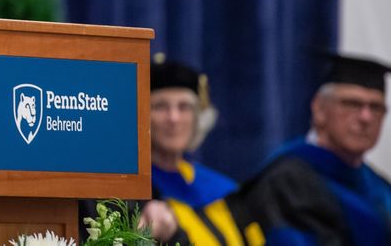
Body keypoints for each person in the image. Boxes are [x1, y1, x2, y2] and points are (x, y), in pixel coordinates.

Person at [188, 51, 391, 245]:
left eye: (376, 107)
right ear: (319, 109)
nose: (366, 117)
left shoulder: (380, 186)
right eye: (352, 104)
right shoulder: (286, 182)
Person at [81, 54, 236, 244]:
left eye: (184, 107)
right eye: (160, 106)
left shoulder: (218, 188)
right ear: (141, 114)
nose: (174, 118)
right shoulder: (122, 189)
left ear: (198, 117)